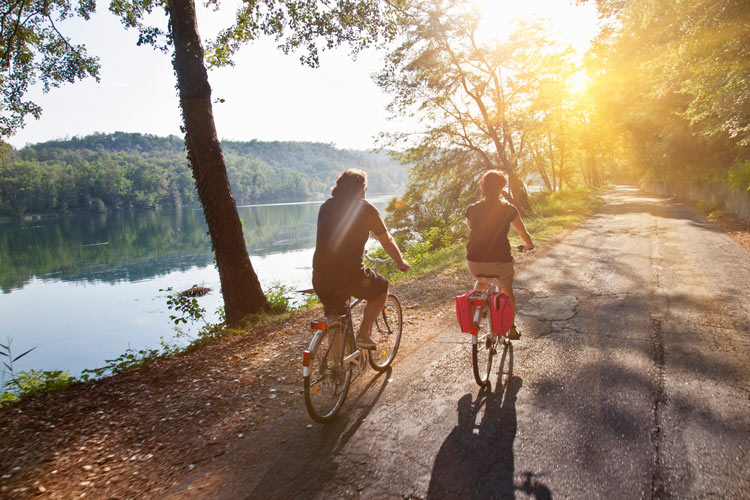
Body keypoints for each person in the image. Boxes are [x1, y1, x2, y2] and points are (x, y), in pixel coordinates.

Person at [312, 168, 410, 349]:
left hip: (321, 276)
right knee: (381, 288)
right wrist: (400, 261)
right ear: (361, 188)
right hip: (350, 276)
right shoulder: (365, 208)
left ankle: (336, 371)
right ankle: (364, 334)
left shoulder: (326, 206)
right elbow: (386, 240)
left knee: (336, 321)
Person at [465, 170, 534, 339]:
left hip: (474, 260)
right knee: (506, 289)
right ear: (502, 187)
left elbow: (471, 228)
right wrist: (529, 245)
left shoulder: (472, 208)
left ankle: (477, 313)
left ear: (482, 186)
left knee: (481, 282)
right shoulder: (509, 209)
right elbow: (523, 233)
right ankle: (510, 328)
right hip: (500, 260)